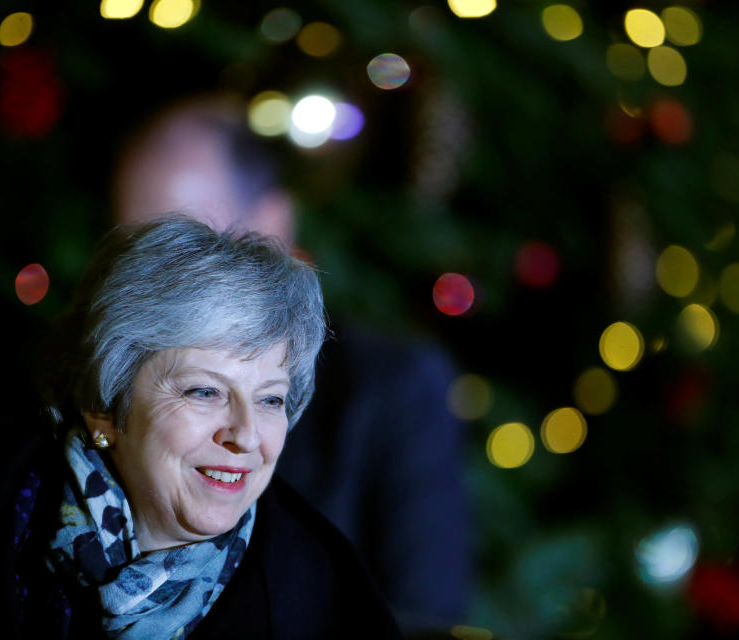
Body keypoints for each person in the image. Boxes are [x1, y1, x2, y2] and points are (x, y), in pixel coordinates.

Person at [111, 95, 470, 633]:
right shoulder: (87, 390)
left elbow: (423, 616)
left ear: (273, 224)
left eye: (186, 250)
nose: (150, 287)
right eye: (131, 253)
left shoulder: (392, 385)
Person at [0, 217, 401, 639]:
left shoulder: (325, 603)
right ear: (104, 406)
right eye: (205, 392)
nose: (245, 436)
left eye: (270, 399)